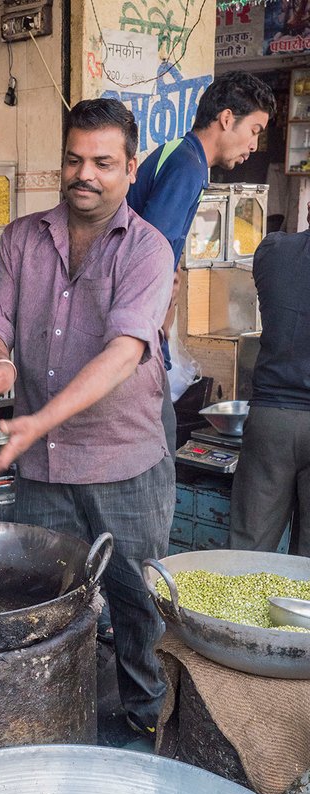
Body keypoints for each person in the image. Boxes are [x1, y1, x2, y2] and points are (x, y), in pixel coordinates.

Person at [0, 98, 175, 737]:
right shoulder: (22, 238)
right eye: (74, 159)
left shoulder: (147, 251)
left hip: (123, 463)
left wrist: (36, 420)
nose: (85, 173)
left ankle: (149, 726)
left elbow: (123, 354)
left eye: (103, 163)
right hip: (43, 470)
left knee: (138, 606)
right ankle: (49, 722)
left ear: (130, 168)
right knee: (45, 602)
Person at [128, 71, 277, 454]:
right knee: (156, 450)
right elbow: (152, 254)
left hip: (135, 323)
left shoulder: (177, 151)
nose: (254, 146)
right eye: (255, 130)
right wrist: (159, 325)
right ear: (227, 119)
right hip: (136, 330)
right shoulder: (188, 167)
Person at [229, 202, 310, 556]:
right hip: (278, 411)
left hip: (271, 420)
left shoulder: (274, 251)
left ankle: (230, 613)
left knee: (248, 551)